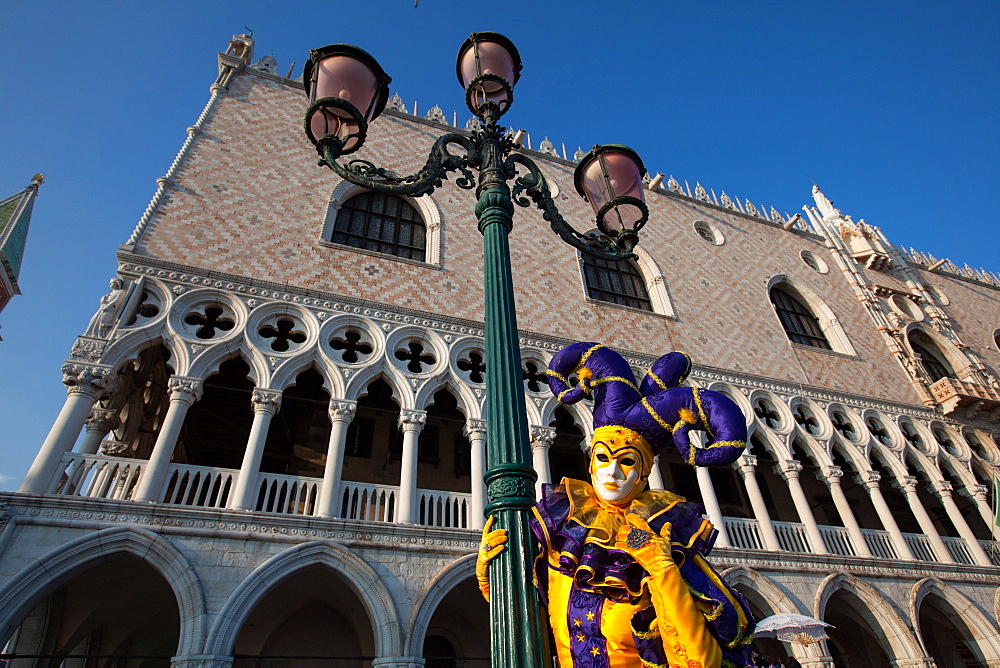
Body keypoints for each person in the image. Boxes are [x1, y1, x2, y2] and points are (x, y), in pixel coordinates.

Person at [478, 342, 755, 667]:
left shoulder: (666, 540)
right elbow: (529, 617)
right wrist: (491, 576)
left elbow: (701, 660)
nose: (611, 472)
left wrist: (663, 571)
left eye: (626, 461)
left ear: (644, 472)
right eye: (602, 458)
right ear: (591, 463)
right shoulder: (563, 535)